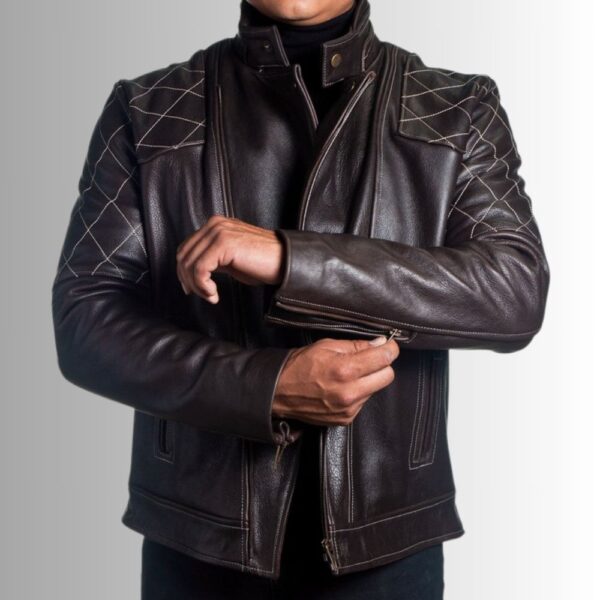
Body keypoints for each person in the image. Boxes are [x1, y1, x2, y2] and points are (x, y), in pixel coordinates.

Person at [51, 0, 550, 598]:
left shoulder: (455, 108)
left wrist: (291, 260)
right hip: (198, 544)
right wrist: (267, 386)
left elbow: (515, 291)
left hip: (387, 552)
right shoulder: (151, 110)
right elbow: (85, 320)